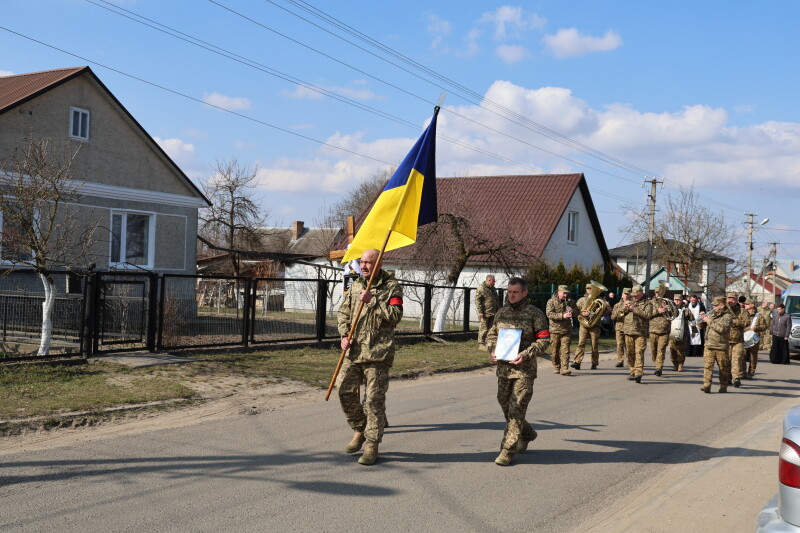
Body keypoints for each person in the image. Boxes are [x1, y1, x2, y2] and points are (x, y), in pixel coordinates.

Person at [337, 248, 404, 466]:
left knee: (374, 401)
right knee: (344, 390)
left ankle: (371, 445)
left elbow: (395, 316)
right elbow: (344, 313)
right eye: (362, 262)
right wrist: (344, 336)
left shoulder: (392, 286)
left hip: (378, 353)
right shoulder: (356, 284)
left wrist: (373, 300)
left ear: (379, 263)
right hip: (355, 352)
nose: (364, 266)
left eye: (368, 262)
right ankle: (359, 428)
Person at [486, 277, 550, 466]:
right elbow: (491, 334)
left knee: (516, 409)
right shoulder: (502, 312)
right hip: (504, 370)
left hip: (524, 370)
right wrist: (492, 349)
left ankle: (507, 450)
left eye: (515, 292)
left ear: (524, 293)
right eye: (509, 291)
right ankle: (528, 433)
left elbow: (544, 340)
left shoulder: (534, 314)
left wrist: (526, 354)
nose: (511, 295)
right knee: (505, 405)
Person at [621, 285, 660, 383]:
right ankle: (632, 371)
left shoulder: (648, 303)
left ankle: (638, 373)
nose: (634, 297)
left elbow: (647, 315)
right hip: (628, 331)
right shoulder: (629, 302)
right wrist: (625, 308)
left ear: (642, 293)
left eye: (636, 295)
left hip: (640, 332)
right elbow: (617, 315)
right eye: (633, 295)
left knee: (639, 353)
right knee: (630, 354)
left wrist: (634, 309)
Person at [572, 283, 610, 370]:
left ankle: (594, 363)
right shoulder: (581, 300)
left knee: (594, 345)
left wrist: (602, 309)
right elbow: (575, 312)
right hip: (583, 324)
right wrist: (582, 312)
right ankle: (577, 362)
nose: (590, 290)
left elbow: (607, 313)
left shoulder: (600, 300)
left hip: (595, 325)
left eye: (591, 288)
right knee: (581, 343)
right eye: (588, 289)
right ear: (586, 289)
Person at [701, 296, 732, 393]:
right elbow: (703, 327)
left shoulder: (727, 316)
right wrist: (702, 320)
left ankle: (723, 385)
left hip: (721, 346)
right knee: (708, 367)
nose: (713, 307)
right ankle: (707, 385)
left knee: (723, 368)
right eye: (713, 305)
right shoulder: (712, 315)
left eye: (716, 305)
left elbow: (722, 329)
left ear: (722, 306)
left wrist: (709, 321)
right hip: (709, 345)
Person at [546, 285, 575, 375]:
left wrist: (573, 311)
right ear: (558, 292)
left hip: (566, 330)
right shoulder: (551, 302)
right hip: (555, 331)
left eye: (567, 293)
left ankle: (565, 368)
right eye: (564, 293)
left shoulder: (571, 302)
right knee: (555, 351)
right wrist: (562, 316)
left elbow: (578, 312)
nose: (566, 295)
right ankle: (556, 366)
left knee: (565, 350)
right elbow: (549, 314)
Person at [726, 292, 748, 387]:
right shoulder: (724, 310)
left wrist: (735, 322)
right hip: (725, 340)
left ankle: (736, 378)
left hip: (738, 340)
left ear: (736, 300)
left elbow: (746, 322)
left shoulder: (742, 311)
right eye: (729, 298)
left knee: (737, 359)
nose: (731, 300)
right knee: (726, 361)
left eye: (733, 299)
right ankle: (727, 378)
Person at [648, 290, 671, 376]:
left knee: (661, 350)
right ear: (655, 293)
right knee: (654, 351)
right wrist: (658, 311)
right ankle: (656, 365)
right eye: (657, 292)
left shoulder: (668, 302)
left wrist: (667, 309)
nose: (658, 294)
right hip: (653, 330)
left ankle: (659, 368)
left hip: (665, 330)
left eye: (660, 293)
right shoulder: (650, 303)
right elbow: (646, 314)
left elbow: (676, 313)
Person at [743, 299, 767, 380]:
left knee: (753, 356)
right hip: (744, 338)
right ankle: (743, 372)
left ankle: (751, 373)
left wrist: (757, 328)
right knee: (742, 355)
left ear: (752, 305)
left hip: (754, 339)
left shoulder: (759, 316)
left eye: (747, 304)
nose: (745, 305)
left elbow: (764, 327)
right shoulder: (743, 314)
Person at [668, 293, 693, 372]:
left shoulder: (686, 310)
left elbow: (692, 320)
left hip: (683, 332)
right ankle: (675, 364)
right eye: (676, 300)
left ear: (682, 300)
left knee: (681, 350)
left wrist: (694, 330)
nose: (677, 301)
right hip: (672, 332)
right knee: (672, 350)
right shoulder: (670, 309)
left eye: (679, 300)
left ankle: (680, 364)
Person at [475, 274, 499, 350]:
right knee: (483, 328)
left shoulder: (493, 288)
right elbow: (477, 300)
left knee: (491, 328)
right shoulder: (481, 288)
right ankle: (481, 344)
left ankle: (489, 343)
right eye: (493, 281)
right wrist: (480, 311)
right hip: (485, 313)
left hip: (493, 312)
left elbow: (496, 300)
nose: (494, 282)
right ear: (489, 280)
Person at [611, 288, 631, 367]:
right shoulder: (617, 305)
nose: (626, 296)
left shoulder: (633, 304)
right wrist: (622, 309)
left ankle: (630, 361)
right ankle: (620, 360)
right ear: (622, 295)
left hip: (629, 327)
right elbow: (613, 317)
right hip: (619, 327)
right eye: (625, 294)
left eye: (628, 294)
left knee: (628, 345)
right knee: (619, 344)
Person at [686, 293, 706, 357]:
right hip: (689, 325)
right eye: (692, 300)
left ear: (697, 300)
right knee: (689, 339)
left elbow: (704, 314)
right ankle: (689, 353)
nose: (693, 301)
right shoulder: (687, 306)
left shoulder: (701, 306)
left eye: (695, 300)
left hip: (698, 325)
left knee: (698, 339)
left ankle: (698, 353)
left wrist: (702, 315)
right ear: (690, 300)